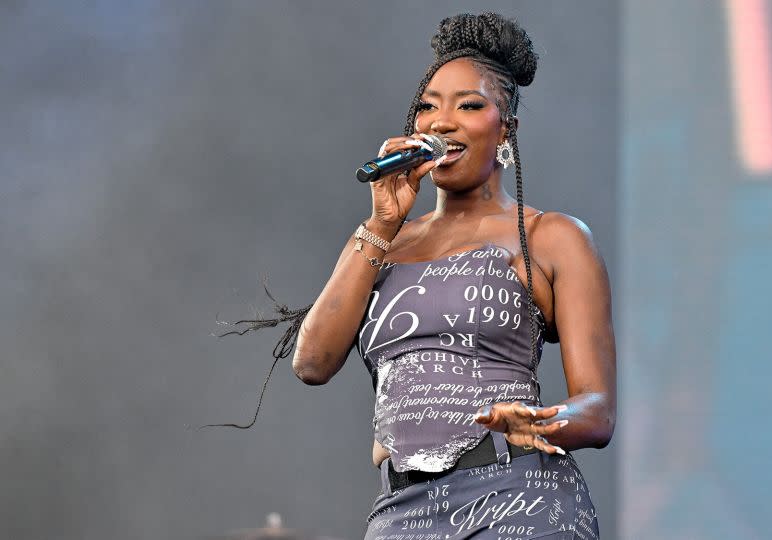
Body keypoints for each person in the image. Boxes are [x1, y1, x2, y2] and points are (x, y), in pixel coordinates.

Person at [219, 12, 615, 539]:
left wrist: (541, 420)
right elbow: (312, 362)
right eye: (427, 107)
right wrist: (382, 224)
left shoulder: (550, 236)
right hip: (402, 510)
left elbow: (598, 409)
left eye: (469, 106)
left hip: (517, 497)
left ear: (506, 130)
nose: (441, 121)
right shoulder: (385, 242)